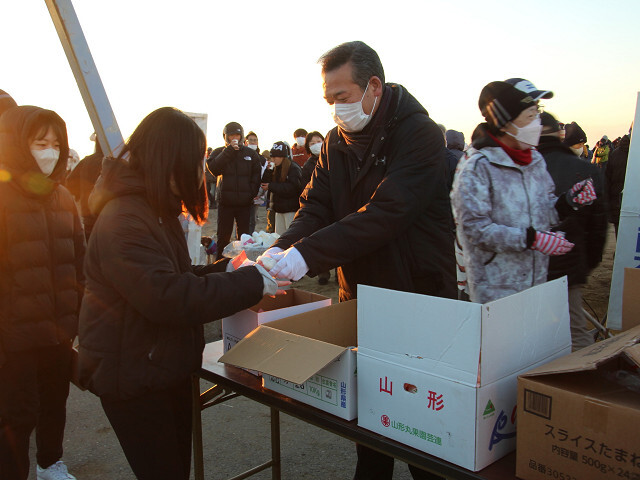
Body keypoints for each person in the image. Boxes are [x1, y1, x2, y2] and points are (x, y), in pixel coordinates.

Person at [259, 40, 456, 480]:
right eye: (328, 100)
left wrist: (306, 256)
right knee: (370, 421)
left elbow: (387, 212)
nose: (335, 109)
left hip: (418, 296)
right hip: (362, 297)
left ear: (373, 87)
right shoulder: (334, 142)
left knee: (420, 428)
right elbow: (317, 207)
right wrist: (284, 246)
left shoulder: (420, 135)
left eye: (342, 98)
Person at [76, 107, 285, 480]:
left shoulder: (153, 209)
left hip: (160, 365)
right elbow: (167, 297)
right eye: (192, 161)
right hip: (134, 377)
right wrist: (251, 283)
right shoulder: (124, 217)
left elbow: (182, 275)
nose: (198, 172)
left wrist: (235, 266)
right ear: (166, 158)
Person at [451, 79, 596, 304]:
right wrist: (531, 239)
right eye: (530, 116)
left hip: (534, 283)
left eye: (537, 114)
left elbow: (543, 210)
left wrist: (567, 202)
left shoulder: (534, 160)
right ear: (505, 122)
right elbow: (474, 230)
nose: (537, 123)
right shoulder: (479, 166)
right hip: (495, 291)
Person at [0, 106, 85, 480]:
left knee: (55, 402)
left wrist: (76, 312)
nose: (50, 152)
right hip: (13, 338)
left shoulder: (63, 197)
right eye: (40, 143)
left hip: (58, 331)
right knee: (16, 415)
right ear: (18, 145)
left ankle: (50, 463)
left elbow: (80, 262)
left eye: (56, 143)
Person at [537, 112, 607, 350]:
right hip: (570, 260)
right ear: (560, 135)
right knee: (574, 329)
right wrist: (588, 262)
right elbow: (598, 223)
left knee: (531, 331)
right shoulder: (585, 169)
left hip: (531, 262)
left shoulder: (523, 167)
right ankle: (581, 379)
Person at [208, 122, 262, 259]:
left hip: (245, 204)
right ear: (225, 137)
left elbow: (256, 175)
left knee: (244, 239)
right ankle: (219, 266)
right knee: (223, 238)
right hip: (225, 203)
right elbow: (214, 169)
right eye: (231, 135)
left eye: (237, 135)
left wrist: (251, 193)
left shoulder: (250, 153)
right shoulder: (219, 152)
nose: (234, 137)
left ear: (242, 135)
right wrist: (229, 151)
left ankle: (243, 266)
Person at [65, 133, 104, 241]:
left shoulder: (87, 161)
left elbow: (70, 182)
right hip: (106, 217)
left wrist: (79, 195)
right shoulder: (112, 161)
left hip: (88, 218)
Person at [260, 141, 302, 235]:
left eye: (275, 157)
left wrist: (271, 186)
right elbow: (264, 182)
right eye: (272, 157)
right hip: (278, 209)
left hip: (291, 209)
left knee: (291, 237)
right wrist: (268, 171)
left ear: (282, 156)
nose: (273, 159)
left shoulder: (293, 168)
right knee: (279, 237)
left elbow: (293, 188)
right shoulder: (275, 168)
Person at [606, 128, 632, 236]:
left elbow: (607, 181)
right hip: (620, 205)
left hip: (618, 205)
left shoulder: (615, 154)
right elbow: (607, 180)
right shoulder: (616, 154)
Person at [245, 131, 267, 234]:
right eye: (250, 140)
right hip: (242, 193)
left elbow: (264, 177)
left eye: (255, 140)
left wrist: (259, 193)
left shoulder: (262, 159)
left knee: (252, 219)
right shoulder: (240, 156)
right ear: (245, 142)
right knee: (242, 219)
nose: (253, 142)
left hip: (256, 194)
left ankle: (248, 239)